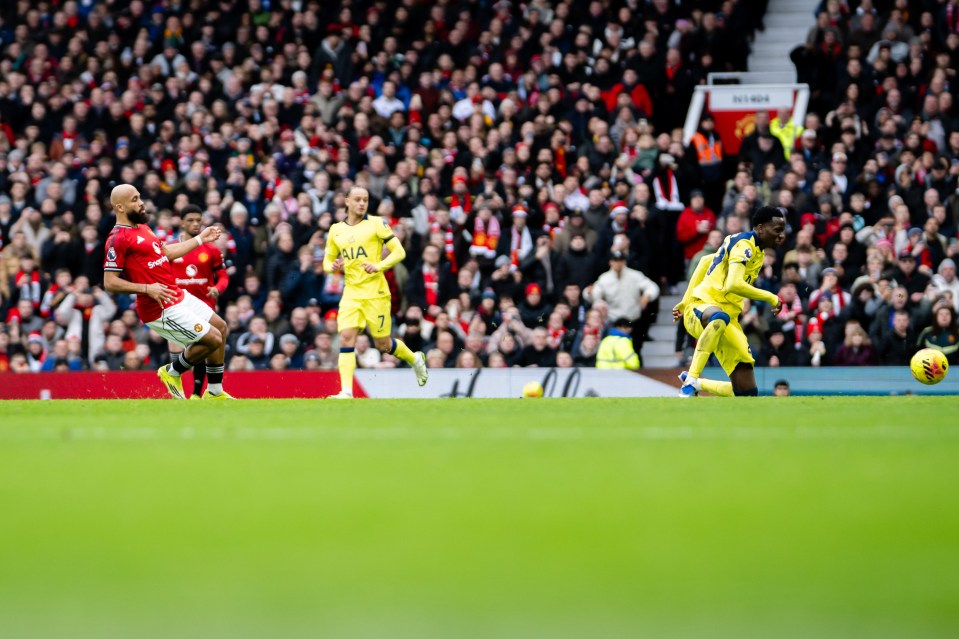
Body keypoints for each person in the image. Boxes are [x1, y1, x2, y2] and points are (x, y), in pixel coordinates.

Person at [102, 184, 232, 399]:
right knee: (213, 339)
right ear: (120, 207)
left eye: (140, 197)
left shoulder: (143, 228)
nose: (141, 202)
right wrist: (146, 288)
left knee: (221, 326)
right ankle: (172, 372)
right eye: (134, 199)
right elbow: (110, 282)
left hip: (176, 294)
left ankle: (215, 392)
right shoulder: (117, 239)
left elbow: (166, 253)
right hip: (159, 308)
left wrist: (201, 239)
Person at [323, 186, 428, 398]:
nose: (362, 203)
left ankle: (415, 359)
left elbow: (399, 252)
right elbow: (327, 261)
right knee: (345, 337)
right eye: (357, 199)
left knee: (383, 344)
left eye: (365, 200)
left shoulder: (376, 224)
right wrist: (332, 266)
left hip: (376, 293)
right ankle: (346, 392)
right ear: (347, 201)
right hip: (351, 294)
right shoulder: (336, 230)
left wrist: (379, 266)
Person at [673, 206, 787, 397]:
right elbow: (733, 284)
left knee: (747, 392)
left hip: (730, 319)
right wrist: (771, 297)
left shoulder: (756, 251)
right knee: (718, 317)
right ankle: (691, 380)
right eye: (776, 230)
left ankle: (698, 384)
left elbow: (704, 262)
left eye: (782, 230)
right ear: (760, 228)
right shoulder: (744, 245)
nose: (781, 236)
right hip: (702, 307)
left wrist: (683, 301)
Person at [168, 204, 229, 398]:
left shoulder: (211, 250)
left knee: (209, 342)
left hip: (204, 305)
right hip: (177, 305)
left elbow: (223, 276)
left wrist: (217, 289)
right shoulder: (170, 249)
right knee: (181, 347)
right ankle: (177, 388)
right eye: (190, 220)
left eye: (198, 220)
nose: (195, 224)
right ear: (181, 222)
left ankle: (198, 392)